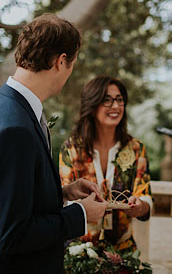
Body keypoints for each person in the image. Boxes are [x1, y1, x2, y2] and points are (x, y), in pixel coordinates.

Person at [0, 14, 107, 274]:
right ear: (61, 61)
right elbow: (12, 234)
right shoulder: (14, 128)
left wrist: (63, 193)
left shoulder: (3, 107)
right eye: (72, 64)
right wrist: (79, 216)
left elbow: (5, 200)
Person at [58, 76, 152, 253]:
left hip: (123, 252)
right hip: (79, 252)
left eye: (119, 100)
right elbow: (64, 198)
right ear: (92, 106)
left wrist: (140, 206)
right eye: (107, 100)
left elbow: (145, 195)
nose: (115, 106)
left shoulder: (136, 149)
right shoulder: (71, 149)